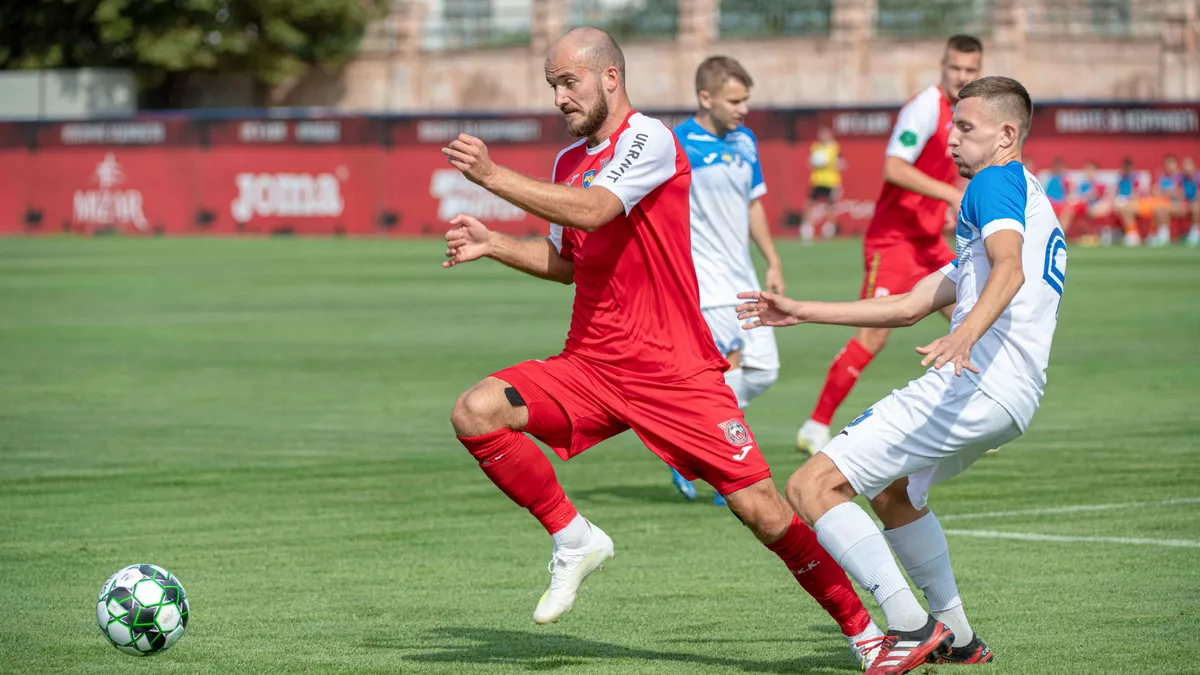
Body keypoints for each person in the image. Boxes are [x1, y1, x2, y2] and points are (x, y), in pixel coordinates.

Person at [440, 27, 884, 667]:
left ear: (610, 78)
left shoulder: (649, 139)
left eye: (569, 82)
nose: (559, 97)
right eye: (552, 86)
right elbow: (570, 262)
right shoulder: (569, 162)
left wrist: (491, 175)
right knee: (476, 411)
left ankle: (865, 632)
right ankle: (574, 538)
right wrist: (495, 245)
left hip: (673, 371)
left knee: (763, 512)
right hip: (590, 366)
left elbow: (594, 211)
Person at [737, 76, 1062, 673]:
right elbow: (910, 304)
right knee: (893, 492)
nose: (952, 138)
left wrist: (962, 335)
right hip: (1013, 398)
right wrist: (803, 310)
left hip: (975, 379)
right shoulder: (1022, 193)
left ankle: (909, 626)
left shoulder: (992, 183)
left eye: (965, 128)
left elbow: (1009, 271)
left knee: (812, 487)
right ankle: (957, 635)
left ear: (1007, 134)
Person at [795, 35, 982, 455]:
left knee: (974, 319)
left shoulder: (966, 113)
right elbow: (894, 167)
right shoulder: (924, 108)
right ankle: (815, 425)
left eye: (971, 70)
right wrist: (950, 196)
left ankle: (973, 421)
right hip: (893, 240)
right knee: (874, 336)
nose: (962, 77)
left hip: (928, 240)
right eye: (956, 69)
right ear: (943, 66)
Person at [668, 56, 784, 506]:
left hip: (743, 277)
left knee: (765, 371)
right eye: (734, 101)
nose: (743, 109)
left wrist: (772, 259)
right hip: (704, 282)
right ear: (705, 97)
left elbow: (754, 203)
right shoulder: (676, 144)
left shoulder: (746, 141)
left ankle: (685, 445)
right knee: (730, 370)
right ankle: (728, 470)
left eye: (746, 100)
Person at [803, 126, 845, 242]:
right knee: (809, 203)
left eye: (825, 134)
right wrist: (815, 162)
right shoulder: (815, 146)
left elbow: (841, 162)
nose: (823, 136)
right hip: (817, 180)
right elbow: (810, 161)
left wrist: (833, 164)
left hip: (831, 181)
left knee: (831, 205)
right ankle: (807, 229)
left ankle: (828, 229)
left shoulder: (835, 147)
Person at [1058, 160, 1111, 236]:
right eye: (1087, 170)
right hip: (1081, 207)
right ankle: (1062, 230)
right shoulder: (1082, 184)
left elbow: (1094, 196)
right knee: (1068, 207)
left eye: (1091, 170)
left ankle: (1061, 231)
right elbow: (1077, 195)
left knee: (1070, 207)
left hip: (1091, 208)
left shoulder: (1099, 185)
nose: (1089, 172)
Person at [1150, 155, 1187, 247]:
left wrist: (1165, 192)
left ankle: (1162, 236)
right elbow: (1154, 191)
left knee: (1162, 209)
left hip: (1180, 205)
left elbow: (1181, 194)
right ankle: (1160, 235)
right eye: (1167, 164)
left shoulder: (1181, 177)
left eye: (1171, 164)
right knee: (1158, 209)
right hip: (1165, 204)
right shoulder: (1162, 178)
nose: (1169, 166)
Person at [1183, 156, 1200, 246]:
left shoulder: (1198, 177)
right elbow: (1179, 192)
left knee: (1195, 207)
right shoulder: (1182, 178)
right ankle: (1162, 235)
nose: (1186, 168)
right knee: (1162, 209)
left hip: (1195, 204)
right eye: (1185, 165)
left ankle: (1195, 233)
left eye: (1189, 165)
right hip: (1185, 204)